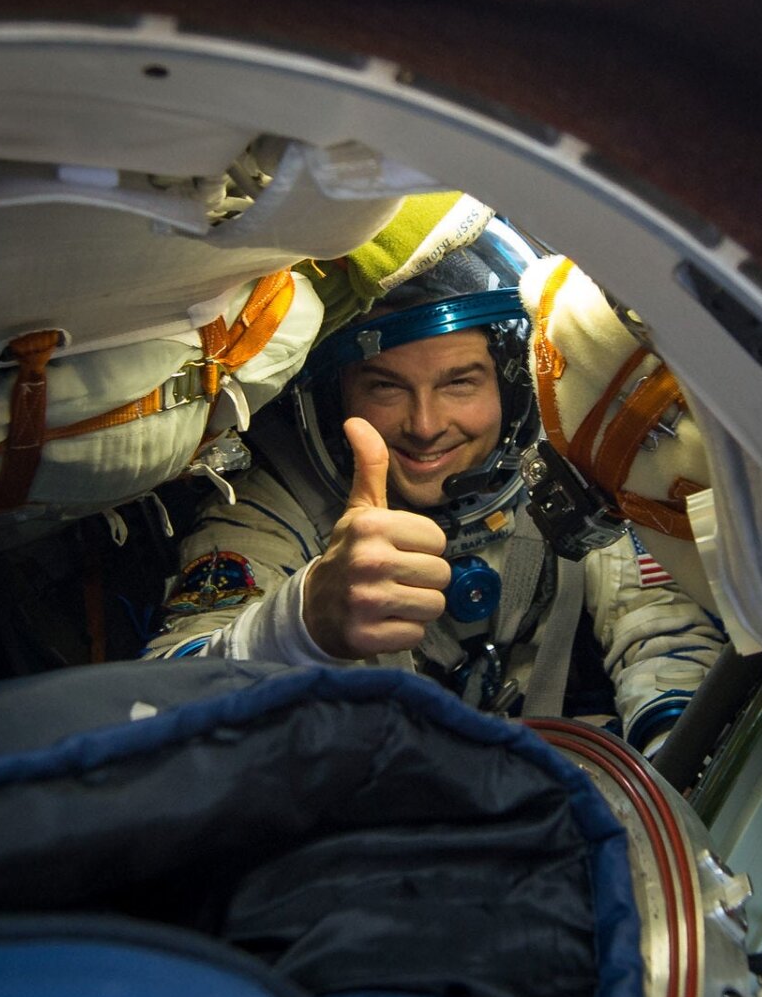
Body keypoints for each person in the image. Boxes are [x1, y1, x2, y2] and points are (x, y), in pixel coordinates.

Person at [143, 220, 723, 751]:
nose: (425, 426)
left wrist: (666, 763)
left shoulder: (567, 467)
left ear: (510, 379)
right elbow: (157, 702)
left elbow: (660, 636)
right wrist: (300, 623)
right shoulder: (279, 502)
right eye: (385, 387)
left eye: (460, 382)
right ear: (333, 397)